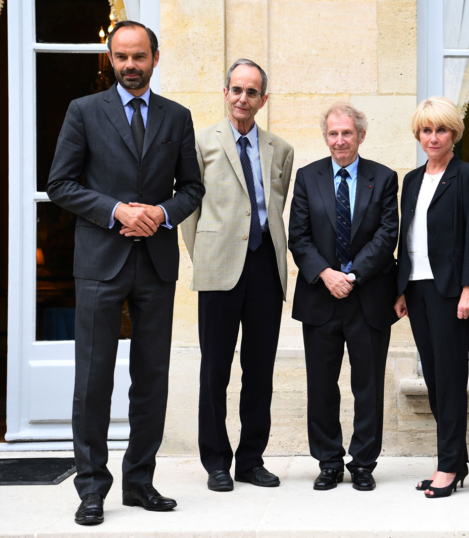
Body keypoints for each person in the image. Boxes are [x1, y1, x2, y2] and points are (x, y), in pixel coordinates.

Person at [46, 21, 204, 526]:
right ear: (109, 59)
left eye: (139, 56)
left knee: (151, 378)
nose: (130, 65)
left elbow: (192, 189)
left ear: (156, 58)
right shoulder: (84, 112)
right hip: (100, 262)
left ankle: (140, 483)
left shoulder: (177, 117)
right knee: (92, 379)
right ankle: (91, 488)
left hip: (156, 265)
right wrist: (117, 210)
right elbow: (61, 185)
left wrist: (162, 212)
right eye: (121, 57)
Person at [180, 59, 294, 493]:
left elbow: (275, 209)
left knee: (259, 369)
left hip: (265, 266)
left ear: (263, 99)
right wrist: (204, 254)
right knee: (215, 370)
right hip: (218, 269)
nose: (243, 98)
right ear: (225, 93)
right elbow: (189, 208)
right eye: (236, 89)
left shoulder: (280, 149)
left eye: (252, 92)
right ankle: (216, 462)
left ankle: (251, 459)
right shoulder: (201, 142)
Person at [288, 103, 399, 492]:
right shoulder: (307, 177)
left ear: (361, 136)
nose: (339, 140)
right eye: (333, 134)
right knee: (322, 385)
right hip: (321, 297)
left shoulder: (383, 178)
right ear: (326, 137)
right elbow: (297, 237)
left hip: (367, 297)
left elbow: (388, 236)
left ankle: (364, 462)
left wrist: (351, 276)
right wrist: (326, 274)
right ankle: (329, 461)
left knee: (367, 385)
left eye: (347, 133)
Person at [393, 96, 469, 499]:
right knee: (433, 378)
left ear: (454, 134)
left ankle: (447, 465)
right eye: (427, 130)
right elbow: (407, 237)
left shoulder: (466, 176)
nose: (434, 137)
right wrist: (400, 288)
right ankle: (457, 460)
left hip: (451, 290)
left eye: (441, 129)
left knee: (450, 379)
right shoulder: (412, 179)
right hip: (417, 288)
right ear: (418, 134)